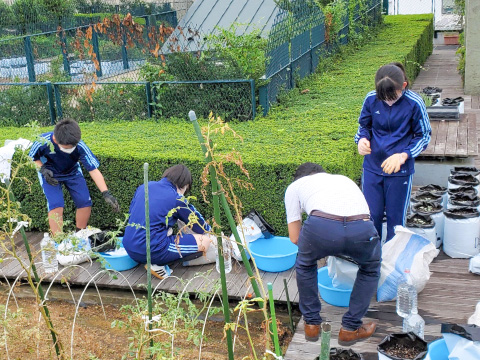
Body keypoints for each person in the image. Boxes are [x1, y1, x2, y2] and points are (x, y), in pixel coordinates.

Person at [284, 162, 380, 345]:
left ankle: (311, 325)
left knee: (305, 264)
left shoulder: (295, 187)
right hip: (362, 228)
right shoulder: (343, 180)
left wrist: (324, 245)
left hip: (321, 227)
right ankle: (350, 329)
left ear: (300, 178)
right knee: (370, 269)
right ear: (321, 174)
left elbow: (295, 238)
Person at [355, 63, 431, 242]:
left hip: (399, 171)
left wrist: (404, 155)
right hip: (373, 168)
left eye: (392, 97)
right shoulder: (371, 99)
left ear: (403, 86)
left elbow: (424, 136)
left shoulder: (414, 103)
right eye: (384, 98)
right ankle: (372, 262)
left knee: (396, 222)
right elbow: (363, 127)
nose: (388, 101)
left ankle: (392, 261)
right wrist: (361, 140)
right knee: (371, 217)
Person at [29, 118, 119, 235]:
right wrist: (42, 169)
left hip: (72, 172)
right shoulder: (42, 141)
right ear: (56, 140)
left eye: (73, 147)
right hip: (49, 174)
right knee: (56, 205)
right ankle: (58, 239)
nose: (71, 150)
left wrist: (106, 193)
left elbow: (93, 170)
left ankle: (80, 234)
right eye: (67, 148)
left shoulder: (80, 146)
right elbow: (31, 157)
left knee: (85, 202)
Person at [123, 164, 214, 279]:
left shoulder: (144, 187)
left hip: (129, 247)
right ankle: (157, 264)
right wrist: (213, 234)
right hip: (152, 249)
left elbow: (134, 214)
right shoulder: (176, 198)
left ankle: (157, 260)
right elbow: (200, 226)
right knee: (204, 241)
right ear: (185, 185)